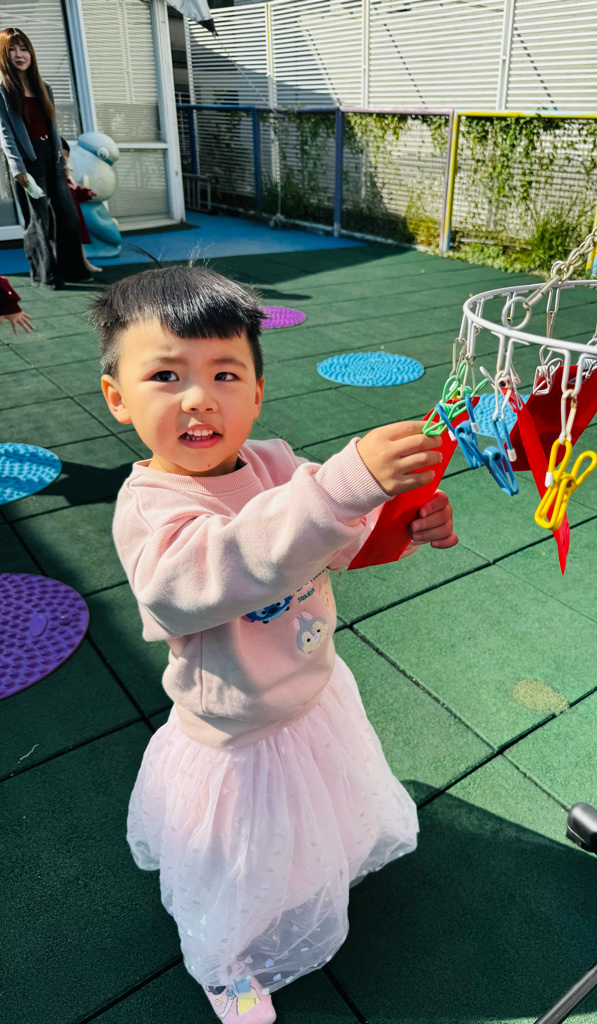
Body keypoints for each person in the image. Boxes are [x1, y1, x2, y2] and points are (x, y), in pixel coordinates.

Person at [94, 265, 458, 1023]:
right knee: (239, 861)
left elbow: (338, 536)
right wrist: (343, 488)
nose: (199, 398)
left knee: (315, 814)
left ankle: (313, 872)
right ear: (118, 397)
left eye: (225, 374)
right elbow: (202, 576)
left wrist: (403, 523)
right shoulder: (150, 507)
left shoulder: (275, 462)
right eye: (165, 375)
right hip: (234, 730)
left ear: (256, 392)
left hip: (311, 692)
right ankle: (226, 964)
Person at [0, 27, 90, 288]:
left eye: (24, 49)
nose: (19, 55)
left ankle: (73, 270)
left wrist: (60, 153)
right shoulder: (3, 90)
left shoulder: (44, 88)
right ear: (4, 55)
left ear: (31, 53)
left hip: (52, 157)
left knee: (68, 216)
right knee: (39, 221)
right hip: (26, 162)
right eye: (12, 50)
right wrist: (17, 167)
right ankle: (46, 276)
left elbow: (51, 125)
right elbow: (5, 132)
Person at [60, 136, 101, 275]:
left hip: (74, 216)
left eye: (66, 155)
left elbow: (75, 193)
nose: (65, 158)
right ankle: (73, 267)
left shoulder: (67, 177)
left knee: (78, 242)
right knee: (67, 244)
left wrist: (86, 193)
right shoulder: (55, 178)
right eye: (61, 154)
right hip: (64, 218)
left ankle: (84, 263)